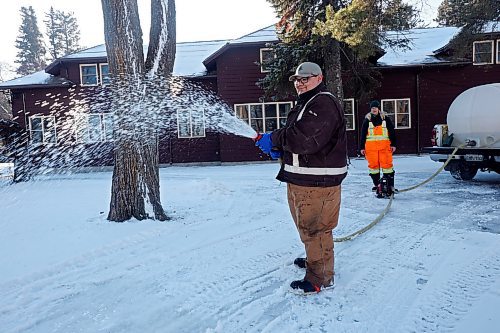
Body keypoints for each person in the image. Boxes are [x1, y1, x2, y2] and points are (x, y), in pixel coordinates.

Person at [255, 62, 347, 294]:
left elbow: (304, 139)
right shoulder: (307, 103)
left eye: (305, 78)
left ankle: (320, 278)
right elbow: (300, 140)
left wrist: (274, 139)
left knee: (316, 229)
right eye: (297, 79)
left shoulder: (323, 102)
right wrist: (281, 150)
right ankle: (315, 260)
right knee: (307, 228)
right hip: (303, 180)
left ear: (319, 78)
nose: (300, 83)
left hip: (318, 183)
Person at [359, 100, 397, 197]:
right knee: (373, 168)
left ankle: (389, 186)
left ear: (378, 108)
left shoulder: (385, 118)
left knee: (387, 167)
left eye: (375, 107)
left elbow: (392, 131)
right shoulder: (367, 120)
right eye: (372, 108)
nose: (374, 109)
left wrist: (393, 144)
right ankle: (378, 185)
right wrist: (361, 147)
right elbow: (362, 135)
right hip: (371, 150)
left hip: (385, 148)